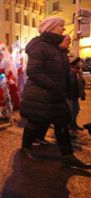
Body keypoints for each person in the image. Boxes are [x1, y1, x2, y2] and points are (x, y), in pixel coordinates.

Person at [20, 16, 90, 169]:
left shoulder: (56, 47)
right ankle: (25, 148)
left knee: (62, 123)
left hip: (55, 95)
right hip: (41, 95)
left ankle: (68, 155)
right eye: (61, 25)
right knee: (34, 122)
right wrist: (54, 86)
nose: (64, 29)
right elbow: (33, 71)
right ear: (51, 27)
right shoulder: (41, 46)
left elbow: (59, 70)